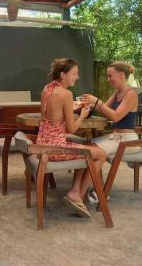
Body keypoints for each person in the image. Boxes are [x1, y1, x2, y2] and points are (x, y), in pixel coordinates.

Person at [37, 58, 106, 218]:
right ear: (63, 75)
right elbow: (72, 128)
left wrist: (70, 109)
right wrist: (82, 114)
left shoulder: (47, 89)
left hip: (42, 144)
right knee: (100, 154)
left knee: (86, 149)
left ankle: (75, 191)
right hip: (55, 149)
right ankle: (78, 195)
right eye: (74, 73)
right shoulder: (66, 94)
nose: (77, 77)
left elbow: (49, 116)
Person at [80, 61, 140, 203]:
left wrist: (97, 102)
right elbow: (104, 109)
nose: (108, 80)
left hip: (127, 140)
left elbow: (115, 116)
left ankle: (92, 193)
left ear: (121, 75)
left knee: (91, 151)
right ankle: (99, 190)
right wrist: (89, 104)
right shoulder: (118, 92)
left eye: (110, 76)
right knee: (88, 144)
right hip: (116, 137)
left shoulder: (131, 94)